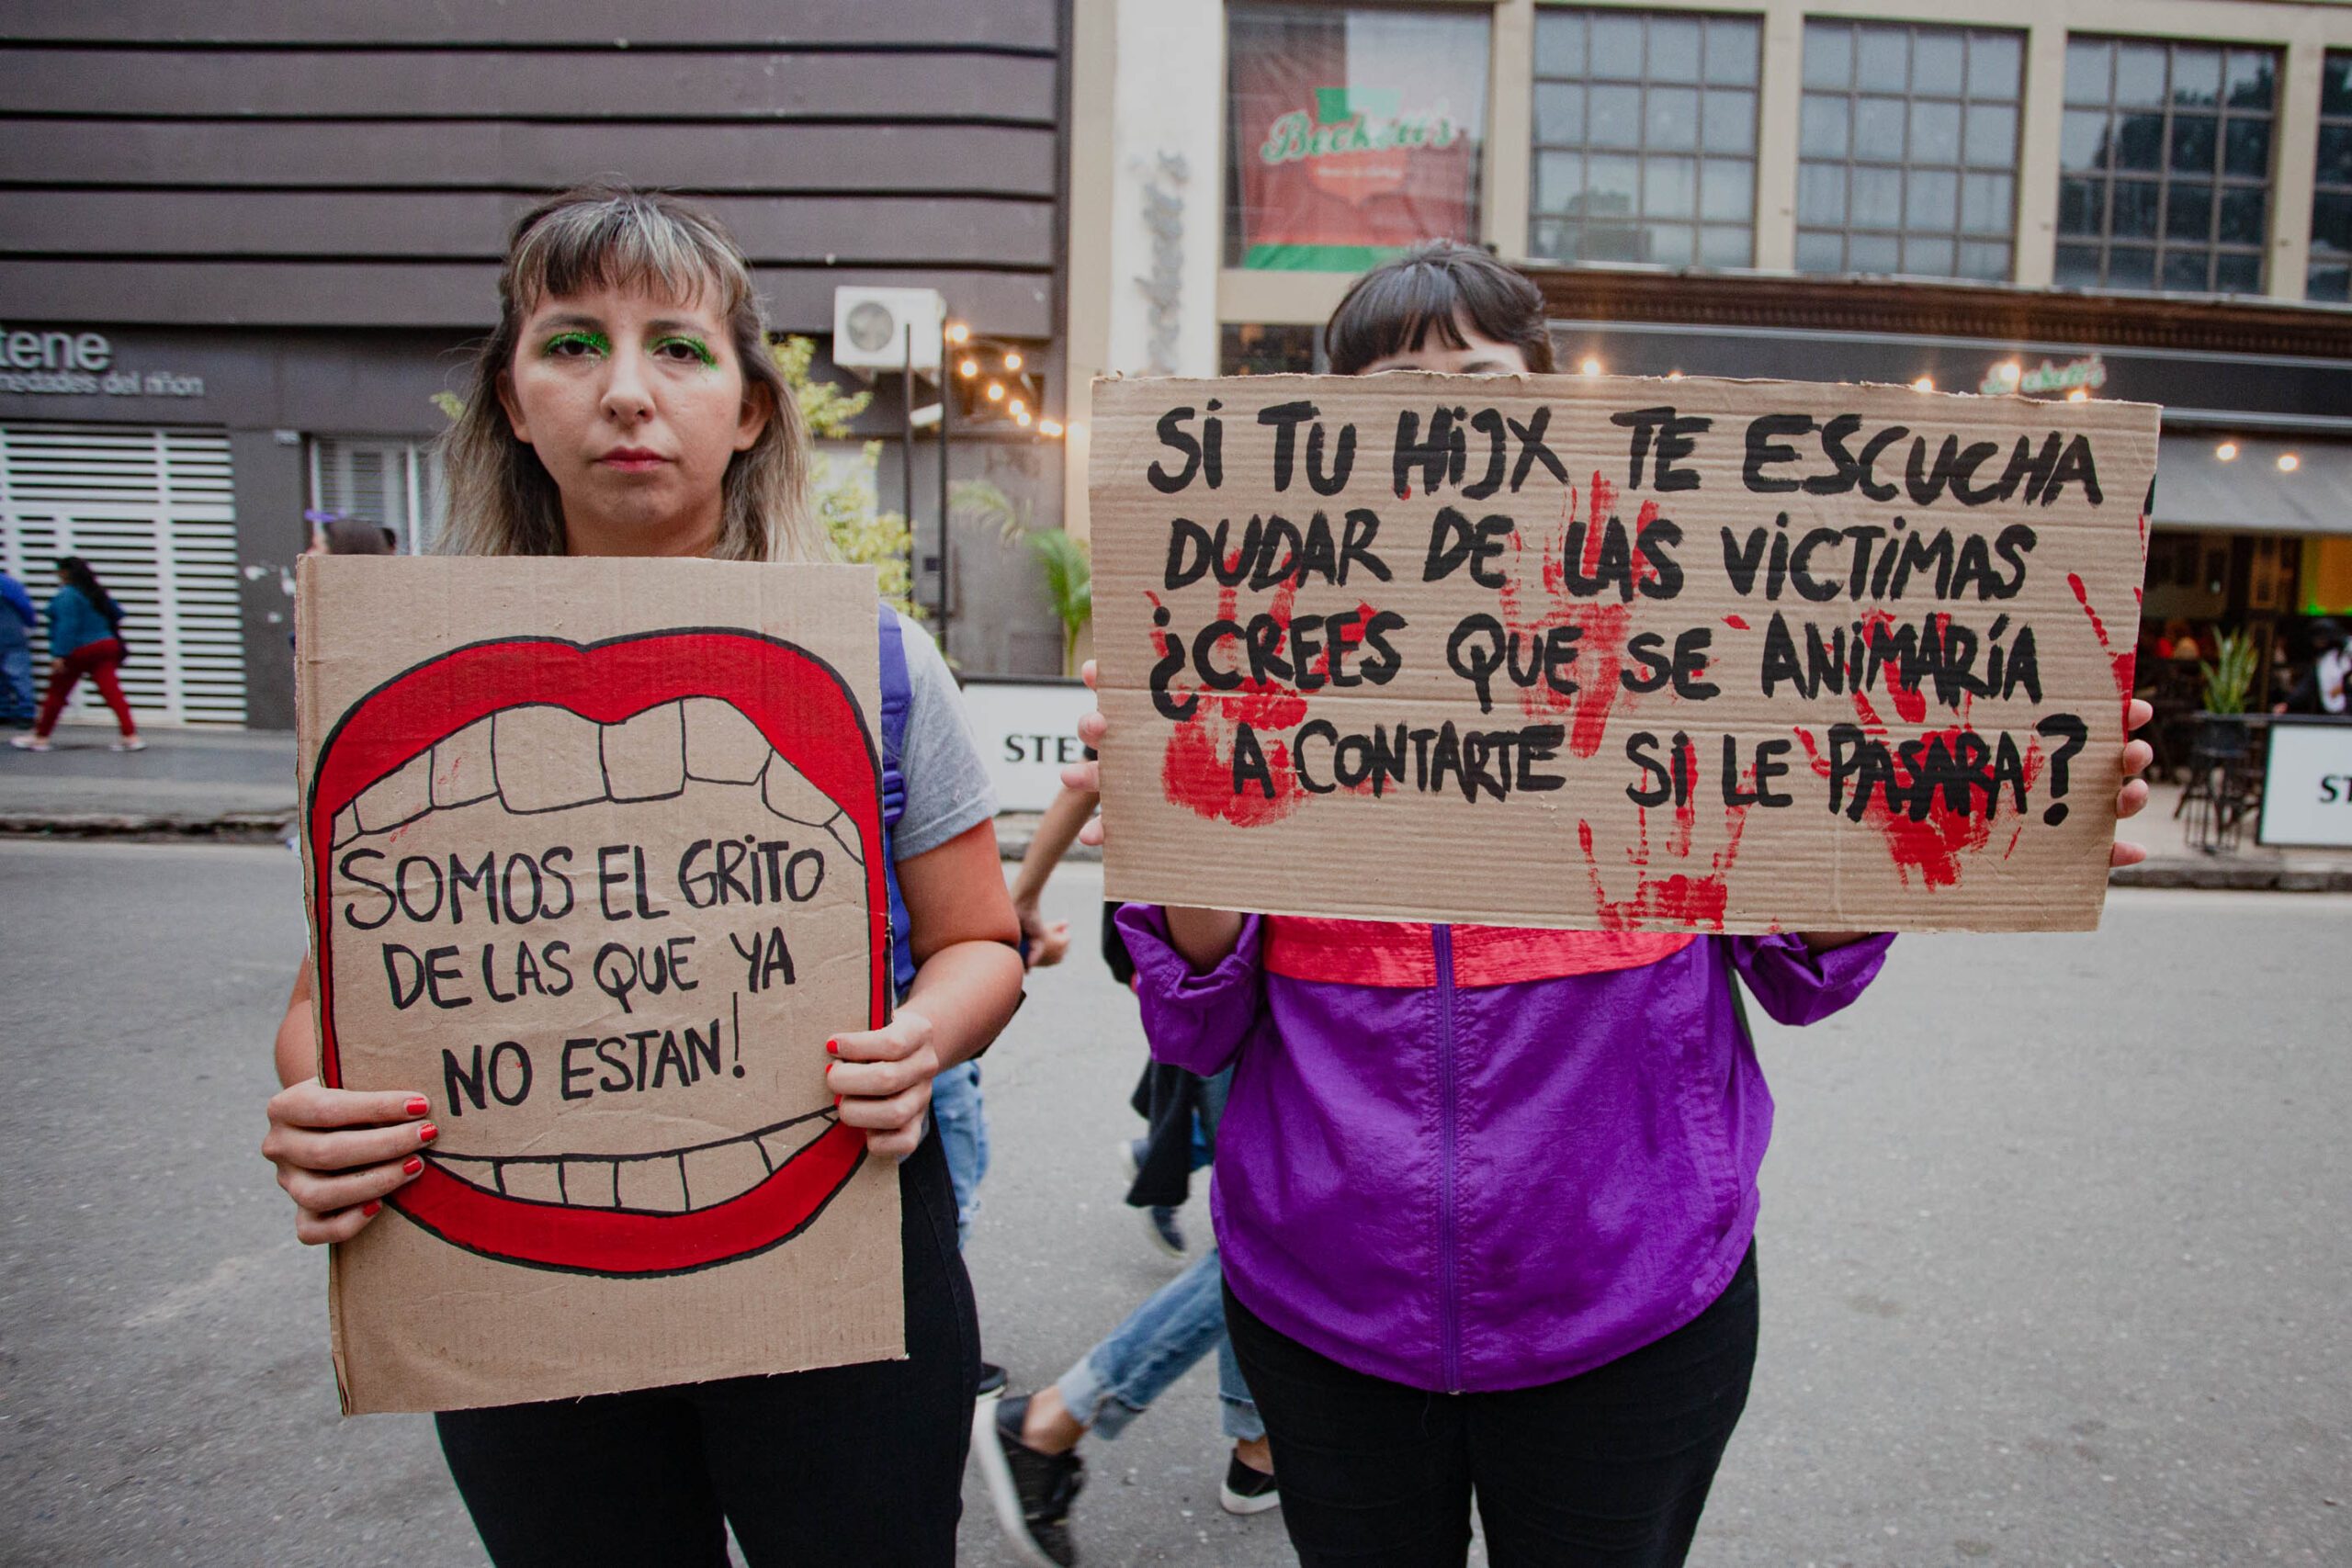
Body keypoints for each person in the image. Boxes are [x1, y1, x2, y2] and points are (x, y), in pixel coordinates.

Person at [1054, 241, 2162, 1568]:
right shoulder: (1255, 654)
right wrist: (1196, 851)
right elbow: (1193, 1025)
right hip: (1327, 1315)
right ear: (1324, 438)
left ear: (1551, 409)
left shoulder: (1672, 628)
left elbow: (1802, 976)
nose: (1445, 420)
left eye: (1478, 380)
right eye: (1394, 393)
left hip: (1636, 1314)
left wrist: (1918, 795)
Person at [257, 186, 1026, 1567]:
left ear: (748, 408)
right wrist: (321, 1108)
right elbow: (338, 990)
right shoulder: (389, 679)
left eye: (677, 345)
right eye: (570, 343)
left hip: (841, 1245)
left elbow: (982, 939)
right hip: (518, 1289)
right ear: (508, 397)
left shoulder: (880, 660)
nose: (625, 392)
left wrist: (925, 1036)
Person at [978, 786, 1276, 1567]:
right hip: (1244, 973)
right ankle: (1051, 1418)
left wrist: (1026, 896)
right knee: (1278, 1236)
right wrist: (1022, 899)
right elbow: (1090, 775)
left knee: (1266, 1217)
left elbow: (1085, 780)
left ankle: (1256, 1445)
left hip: (1231, 970)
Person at [11, 556, 139, 752]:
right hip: (105, 646)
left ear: (65, 573)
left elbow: (66, 625)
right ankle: (130, 736)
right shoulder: (95, 592)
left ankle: (41, 737)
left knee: (57, 694)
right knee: (112, 692)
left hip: (78, 649)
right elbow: (118, 613)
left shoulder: (67, 595)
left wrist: (59, 653)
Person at [0, 565, 35, 727]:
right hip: (12, 636)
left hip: (9, 637)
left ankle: (3, 711)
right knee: (19, 677)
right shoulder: (9, 584)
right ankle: (25, 714)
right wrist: (30, 623)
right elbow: (24, 607)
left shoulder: (6, 583)